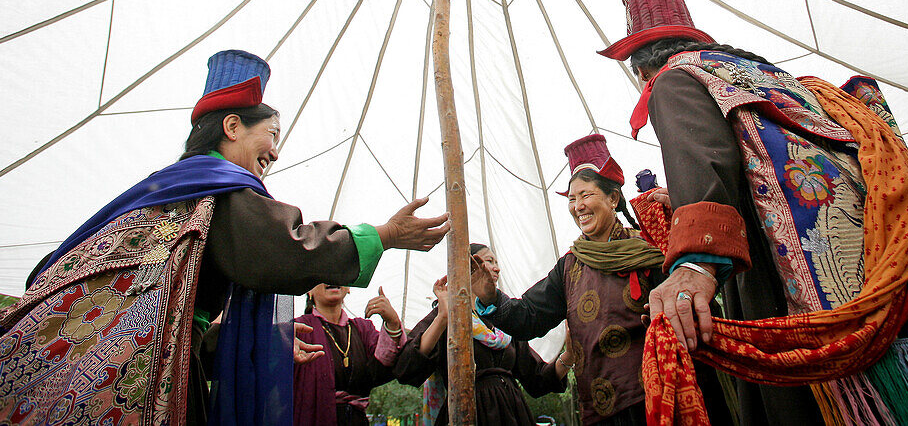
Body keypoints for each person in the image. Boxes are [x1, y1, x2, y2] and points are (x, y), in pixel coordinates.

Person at [598, 0, 908, 424]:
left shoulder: (674, 80)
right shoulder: (773, 77)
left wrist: (694, 264)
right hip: (898, 260)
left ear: (643, 66)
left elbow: (704, 162)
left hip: (793, 282)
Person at [0, 49, 450, 425]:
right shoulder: (214, 191)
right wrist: (383, 234)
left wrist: (246, 340)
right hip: (133, 389)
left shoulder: (168, 192)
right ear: (232, 126)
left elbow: (175, 321)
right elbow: (290, 249)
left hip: (116, 373)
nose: (274, 154)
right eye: (270, 137)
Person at [470, 136, 732, 425]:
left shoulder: (650, 246)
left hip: (663, 395)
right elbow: (529, 317)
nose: (578, 206)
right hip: (601, 408)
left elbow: (693, 304)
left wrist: (681, 228)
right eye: (572, 199)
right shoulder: (569, 267)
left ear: (612, 198)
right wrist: (490, 296)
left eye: (586, 195)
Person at [394, 243, 570, 425]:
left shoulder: (503, 318)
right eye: (489, 260)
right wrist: (443, 318)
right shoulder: (446, 316)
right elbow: (407, 367)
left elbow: (537, 378)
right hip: (466, 413)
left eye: (497, 262)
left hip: (513, 415)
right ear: (469, 267)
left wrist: (569, 356)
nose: (497, 268)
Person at [292, 283, 406, 425]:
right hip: (314, 418)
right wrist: (282, 342)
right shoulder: (298, 330)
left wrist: (393, 323)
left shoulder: (363, 329)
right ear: (309, 290)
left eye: (340, 274)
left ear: (348, 288)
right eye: (323, 275)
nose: (332, 278)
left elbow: (384, 365)